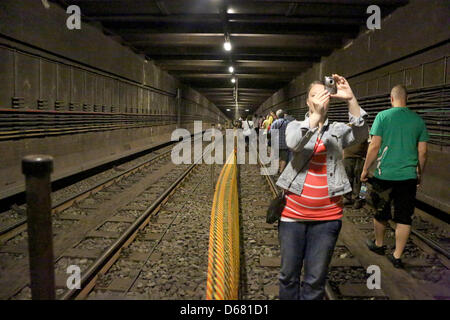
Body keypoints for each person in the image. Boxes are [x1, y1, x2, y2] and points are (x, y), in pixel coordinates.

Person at [276, 74, 369, 300]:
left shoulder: (337, 129)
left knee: (315, 280)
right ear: (307, 101)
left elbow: (362, 134)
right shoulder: (294, 126)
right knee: (288, 276)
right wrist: (315, 117)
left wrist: (351, 99)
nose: (319, 98)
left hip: (327, 219)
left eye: (324, 94)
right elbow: (294, 144)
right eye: (314, 95)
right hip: (293, 217)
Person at [361, 84, 429, 268]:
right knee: (404, 217)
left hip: (384, 175)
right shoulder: (418, 121)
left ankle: (379, 244)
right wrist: (419, 173)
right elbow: (422, 152)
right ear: (407, 99)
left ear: (391, 99)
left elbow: (374, 145)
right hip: (408, 177)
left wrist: (365, 169)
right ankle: (397, 256)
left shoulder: (382, 116)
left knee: (381, 212)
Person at [343, 127, 369, 209]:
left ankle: (360, 199)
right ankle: (347, 197)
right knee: (347, 179)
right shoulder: (346, 128)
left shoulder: (366, 130)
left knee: (362, 181)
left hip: (361, 158)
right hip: (348, 157)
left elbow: (370, 144)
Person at [269, 109, 291, 173]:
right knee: (284, 158)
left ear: (277, 116)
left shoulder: (274, 123)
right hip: (285, 144)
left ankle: (277, 168)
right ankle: (281, 170)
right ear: (283, 115)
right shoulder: (288, 123)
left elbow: (270, 133)